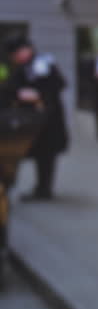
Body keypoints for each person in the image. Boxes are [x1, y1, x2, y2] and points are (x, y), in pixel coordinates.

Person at [5, 36, 68, 201]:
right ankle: (41, 187)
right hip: (31, 119)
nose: (16, 58)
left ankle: (44, 189)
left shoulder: (42, 63)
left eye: (17, 53)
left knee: (46, 154)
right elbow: (11, 87)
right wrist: (19, 94)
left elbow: (58, 84)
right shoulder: (23, 67)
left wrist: (38, 95)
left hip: (47, 119)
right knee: (38, 153)